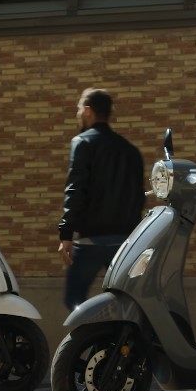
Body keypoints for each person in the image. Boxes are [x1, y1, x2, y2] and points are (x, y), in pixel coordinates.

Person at [58, 88, 145, 311]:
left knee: (75, 299)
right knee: (128, 301)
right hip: (125, 240)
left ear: (88, 111)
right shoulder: (131, 151)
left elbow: (75, 189)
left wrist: (66, 233)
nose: (77, 113)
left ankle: (95, 336)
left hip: (91, 241)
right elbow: (138, 197)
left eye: (79, 108)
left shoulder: (83, 143)